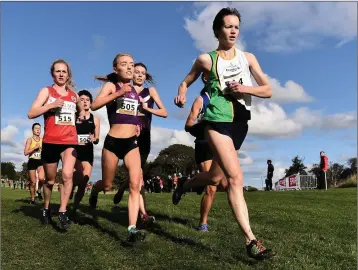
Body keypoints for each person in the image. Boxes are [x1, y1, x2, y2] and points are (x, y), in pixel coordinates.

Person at [173, 7, 275, 260]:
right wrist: (183, 93)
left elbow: (268, 89)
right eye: (228, 26)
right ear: (218, 30)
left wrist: (244, 88)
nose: (233, 31)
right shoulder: (206, 60)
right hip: (216, 121)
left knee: (215, 178)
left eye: (236, 27)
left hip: (240, 123)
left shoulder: (248, 58)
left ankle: (185, 185)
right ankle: (251, 241)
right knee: (235, 178)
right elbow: (186, 81)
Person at [96, 62, 168, 226]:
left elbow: (164, 112)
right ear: (132, 74)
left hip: (144, 137)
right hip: (125, 136)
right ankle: (142, 212)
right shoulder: (125, 89)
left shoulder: (150, 92)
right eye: (137, 72)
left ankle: (135, 208)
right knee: (136, 179)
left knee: (138, 178)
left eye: (144, 73)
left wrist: (146, 109)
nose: (140, 75)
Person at [89, 53, 146, 242]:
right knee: (107, 185)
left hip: (131, 144)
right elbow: (94, 105)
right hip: (113, 142)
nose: (130, 67)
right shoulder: (111, 86)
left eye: (131, 64)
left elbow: (131, 112)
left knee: (135, 185)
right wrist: (118, 93)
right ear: (116, 68)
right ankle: (95, 191)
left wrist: (138, 124)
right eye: (125, 64)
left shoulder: (135, 90)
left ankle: (132, 228)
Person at [27, 59, 84, 230]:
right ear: (53, 74)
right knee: (50, 181)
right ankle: (46, 208)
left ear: (68, 75)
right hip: (51, 141)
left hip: (70, 141)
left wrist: (80, 116)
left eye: (64, 71)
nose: (61, 74)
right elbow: (31, 113)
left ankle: (62, 211)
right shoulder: (47, 91)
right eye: (57, 71)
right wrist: (51, 105)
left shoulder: (74, 95)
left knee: (67, 175)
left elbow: (80, 110)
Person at [70, 89, 100, 213]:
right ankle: (69, 190)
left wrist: (95, 138)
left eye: (87, 100)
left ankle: (75, 207)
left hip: (88, 152)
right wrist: (75, 140)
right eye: (82, 99)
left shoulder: (96, 119)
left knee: (84, 182)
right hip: (74, 152)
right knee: (75, 180)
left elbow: (97, 138)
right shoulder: (73, 116)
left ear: (91, 103)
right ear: (78, 102)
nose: (85, 102)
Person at [24, 123, 45, 204]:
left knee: (42, 179)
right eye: (36, 128)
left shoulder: (42, 140)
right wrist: (34, 148)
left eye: (39, 128)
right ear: (33, 130)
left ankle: (39, 190)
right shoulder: (29, 140)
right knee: (33, 182)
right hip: (32, 161)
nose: (38, 130)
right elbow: (25, 152)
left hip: (40, 161)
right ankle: (32, 199)